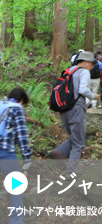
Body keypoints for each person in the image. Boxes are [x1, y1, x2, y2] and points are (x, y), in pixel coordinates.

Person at [51, 51, 100, 175]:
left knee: (75, 137)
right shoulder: (84, 72)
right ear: (84, 62)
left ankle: (60, 152)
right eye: (91, 63)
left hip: (64, 109)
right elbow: (82, 89)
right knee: (78, 143)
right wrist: (93, 96)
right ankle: (69, 172)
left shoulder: (69, 71)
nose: (92, 66)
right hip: (76, 108)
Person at [0, 87, 32, 224]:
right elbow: (22, 136)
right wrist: (27, 160)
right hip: (5, 152)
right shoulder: (17, 108)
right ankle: (16, 220)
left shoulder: (1, 104)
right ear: (21, 101)